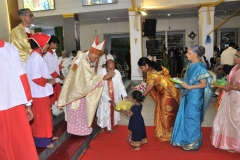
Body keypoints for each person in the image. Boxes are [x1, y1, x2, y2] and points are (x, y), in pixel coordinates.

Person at [57, 36, 115, 136]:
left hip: (75, 91)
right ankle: (80, 132)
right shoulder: (83, 62)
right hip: (78, 93)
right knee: (79, 112)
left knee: (77, 112)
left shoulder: (81, 58)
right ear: (91, 53)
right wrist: (103, 77)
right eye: (96, 57)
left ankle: (74, 130)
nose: (96, 60)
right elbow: (88, 81)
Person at [0, 39, 38, 160]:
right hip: (14, 102)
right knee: (19, 142)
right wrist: (28, 104)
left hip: (12, 103)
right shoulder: (10, 49)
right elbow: (22, 76)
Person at [170, 44, 213, 151]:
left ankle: (193, 143)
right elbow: (187, 78)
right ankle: (185, 139)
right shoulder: (190, 63)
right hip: (188, 94)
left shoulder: (200, 66)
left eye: (189, 53)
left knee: (192, 117)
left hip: (195, 95)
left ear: (195, 54)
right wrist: (180, 82)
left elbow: (203, 84)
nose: (186, 54)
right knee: (186, 117)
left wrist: (189, 86)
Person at [137, 57, 180, 142]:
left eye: (141, 68)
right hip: (171, 90)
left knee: (166, 113)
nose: (141, 70)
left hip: (168, 94)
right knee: (164, 111)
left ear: (146, 65)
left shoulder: (152, 74)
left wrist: (143, 96)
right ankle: (169, 130)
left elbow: (149, 87)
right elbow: (166, 73)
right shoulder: (156, 67)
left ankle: (169, 134)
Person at [26, 32, 55, 148]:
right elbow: (36, 78)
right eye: (47, 43)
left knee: (45, 117)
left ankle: (48, 136)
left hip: (40, 93)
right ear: (40, 44)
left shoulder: (36, 56)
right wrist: (50, 81)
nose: (48, 46)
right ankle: (43, 141)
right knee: (41, 118)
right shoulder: (36, 57)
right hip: (38, 93)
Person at [211, 49, 240, 153]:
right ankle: (229, 142)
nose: (235, 57)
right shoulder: (235, 68)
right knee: (228, 119)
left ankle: (237, 144)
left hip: (238, 98)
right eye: (235, 55)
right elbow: (230, 81)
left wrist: (232, 87)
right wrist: (224, 84)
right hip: (230, 96)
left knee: (237, 120)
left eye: (238, 56)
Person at [97, 59, 128, 133]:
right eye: (110, 68)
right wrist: (110, 100)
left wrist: (125, 96)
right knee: (103, 112)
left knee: (113, 112)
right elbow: (100, 89)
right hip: (104, 97)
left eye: (113, 68)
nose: (112, 70)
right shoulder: (101, 73)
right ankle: (102, 126)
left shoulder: (117, 73)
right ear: (105, 67)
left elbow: (120, 85)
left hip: (115, 95)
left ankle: (111, 126)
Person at [43, 35, 64, 117]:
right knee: (50, 97)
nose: (56, 46)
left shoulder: (53, 53)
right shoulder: (46, 54)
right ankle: (49, 112)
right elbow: (50, 68)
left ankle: (51, 111)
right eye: (56, 44)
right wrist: (58, 76)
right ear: (51, 43)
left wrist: (60, 72)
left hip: (56, 78)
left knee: (55, 96)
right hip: (50, 79)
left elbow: (57, 64)